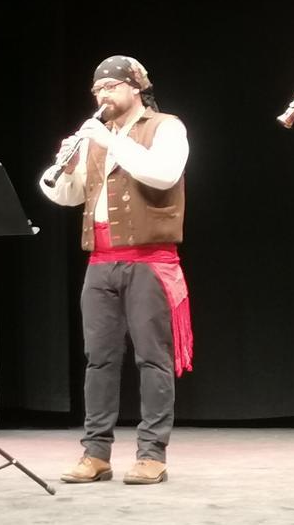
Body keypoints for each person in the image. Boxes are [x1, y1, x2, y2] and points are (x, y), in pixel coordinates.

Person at [40, 55, 193, 486]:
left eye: (110, 88)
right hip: (100, 263)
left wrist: (109, 144)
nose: (102, 97)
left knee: (152, 360)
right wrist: (67, 167)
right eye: (97, 91)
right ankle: (95, 453)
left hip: (150, 262)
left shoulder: (166, 127)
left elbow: (163, 175)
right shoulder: (95, 138)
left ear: (135, 88)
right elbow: (66, 197)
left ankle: (151, 453)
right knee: (99, 361)